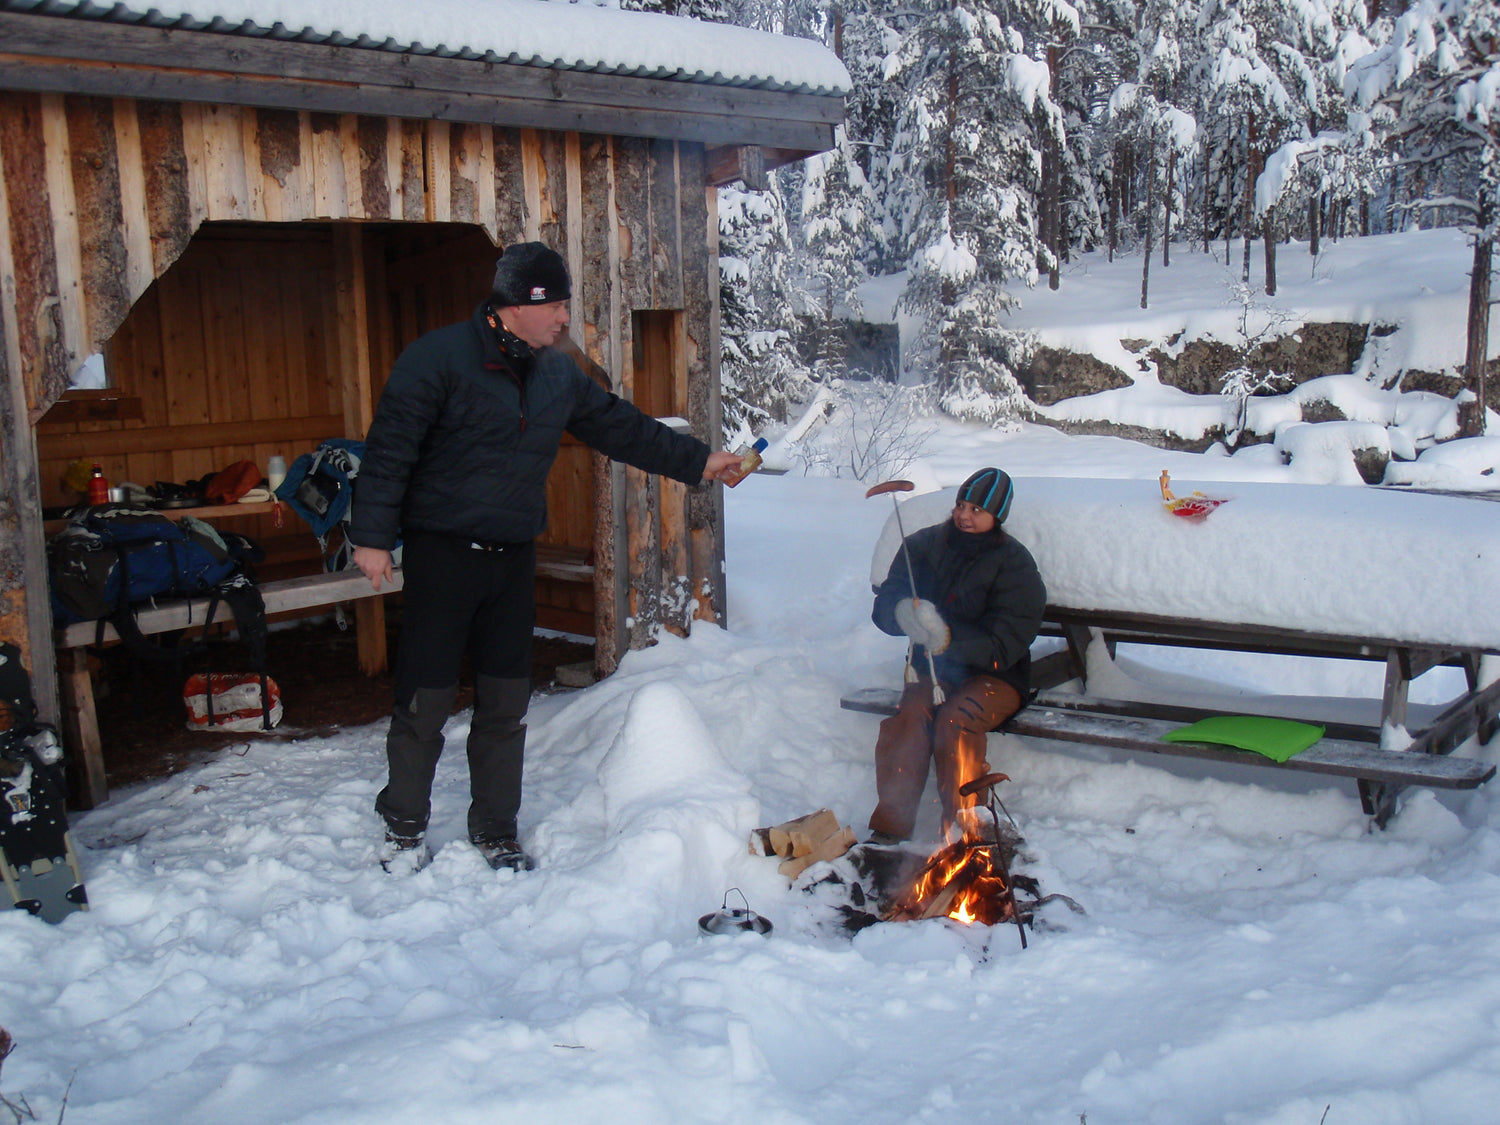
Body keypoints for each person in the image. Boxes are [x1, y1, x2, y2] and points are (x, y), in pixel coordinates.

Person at [347, 242, 743, 874]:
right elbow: (390, 449)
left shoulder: (557, 374)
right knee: (425, 699)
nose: (564, 318)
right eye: (556, 305)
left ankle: (496, 828)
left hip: (511, 562)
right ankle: (401, 826)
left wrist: (699, 461)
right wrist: (371, 538)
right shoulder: (437, 360)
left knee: (505, 704)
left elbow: (621, 427)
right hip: (442, 556)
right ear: (518, 305)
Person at [867, 467, 1046, 844]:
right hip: (932, 672)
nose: (964, 515)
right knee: (910, 718)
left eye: (977, 510)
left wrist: (947, 641)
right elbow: (886, 603)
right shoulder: (921, 545)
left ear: (997, 516)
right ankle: (890, 828)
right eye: (961, 505)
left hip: (996, 675)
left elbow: (1009, 639)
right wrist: (903, 614)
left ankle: (967, 832)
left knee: (955, 720)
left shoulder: (1015, 563)